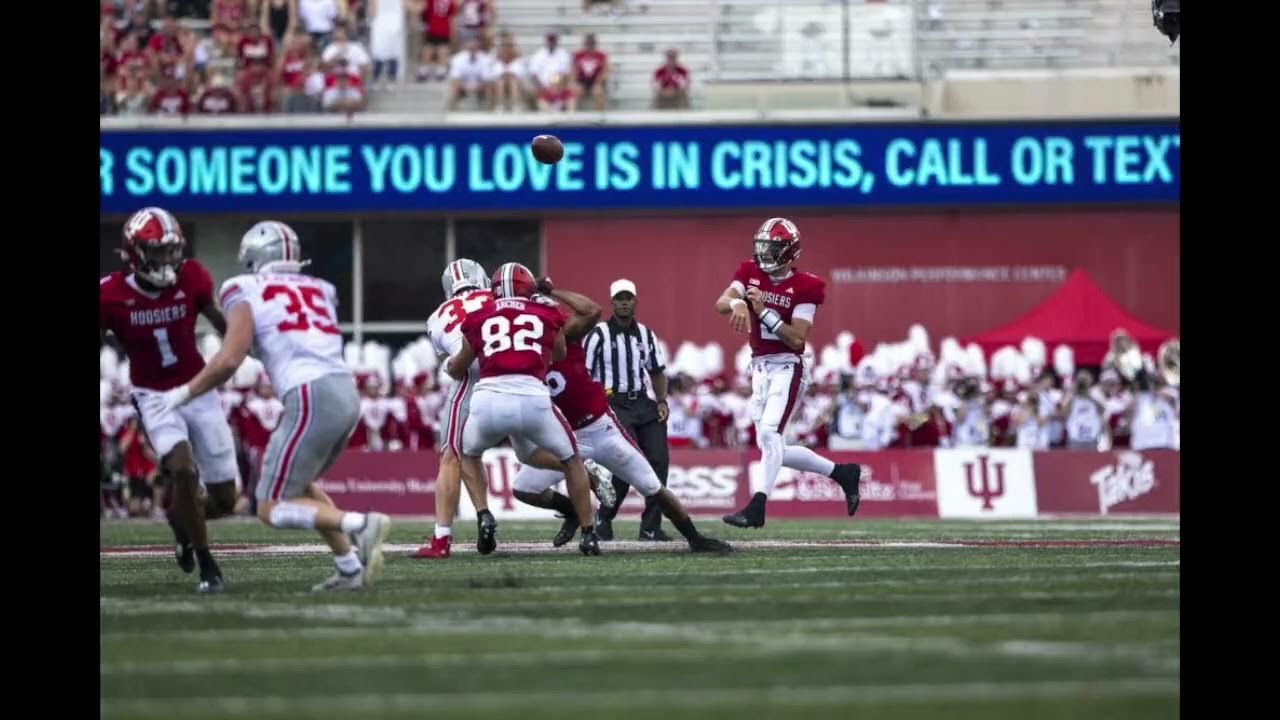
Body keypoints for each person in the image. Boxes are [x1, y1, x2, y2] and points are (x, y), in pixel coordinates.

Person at [158, 221, 392, 592]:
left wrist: (184, 392)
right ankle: (349, 568)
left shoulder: (243, 287)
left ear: (252, 259)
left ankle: (359, 524)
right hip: (344, 393)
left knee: (268, 505)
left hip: (309, 396)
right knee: (299, 486)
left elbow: (232, 358)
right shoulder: (320, 288)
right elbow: (270, 341)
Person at [512, 280, 732, 554]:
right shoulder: (520, 352)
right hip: (563, 434)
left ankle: (694, 537)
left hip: (599, 426)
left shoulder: (568, 335)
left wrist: (551, 291)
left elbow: (591, 311)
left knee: (651, 485)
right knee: (524, 488)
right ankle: (572, 512)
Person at [100, 207, 241, 593]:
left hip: (198, 388)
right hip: (154, 395)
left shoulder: (193, 276)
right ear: (135, 253)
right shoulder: (111, 294)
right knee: (182, 469)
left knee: (226, 499)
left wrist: (244, 349)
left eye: (171, 251)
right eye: (157, 252)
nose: (167, 260)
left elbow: (224, 325)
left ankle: (181, 519)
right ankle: (208, 566)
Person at [713, 218, 861, 528]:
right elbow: (721, 302)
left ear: (789, 251)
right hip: (760, 367)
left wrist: (763, 311)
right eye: (763, 246)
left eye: (773, 248)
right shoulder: (749, 272)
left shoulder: (807, 286)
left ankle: (757, 506)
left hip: (788, 366)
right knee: (772, 443)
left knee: (769, 435)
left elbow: (797, 339)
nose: (765, 253)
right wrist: (739, 303)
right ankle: (843, 473)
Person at [447, 263, 602, 555]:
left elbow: (458, 367)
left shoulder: (478, 317)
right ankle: (589, 533)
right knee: (572, 460)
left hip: (488, 399)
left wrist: (448, 364)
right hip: (532, 397)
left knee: (468, 455)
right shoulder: (545, 312)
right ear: (529, 287)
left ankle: (484, 514)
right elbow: (559, 353)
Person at [408, 259, 500, 559]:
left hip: (470, 379)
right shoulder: (497, 296)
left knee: (452, 456)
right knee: (540, 447)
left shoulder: (436, 316)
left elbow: (452, 365)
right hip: (512, 374)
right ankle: (584, 482)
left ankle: (442, 538)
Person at [583, 279, 673, 541]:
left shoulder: (645, 334)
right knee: (624, 462)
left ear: (635, 301)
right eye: (619, 298)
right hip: (612, 403)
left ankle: (650, 527)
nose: (624, 302)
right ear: (612, 302)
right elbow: (586, 373)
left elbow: (656, 370)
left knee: (659, 461)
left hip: (643, 403)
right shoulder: (598, 334)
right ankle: (605, 517)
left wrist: (662, 401)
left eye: (628, 298)